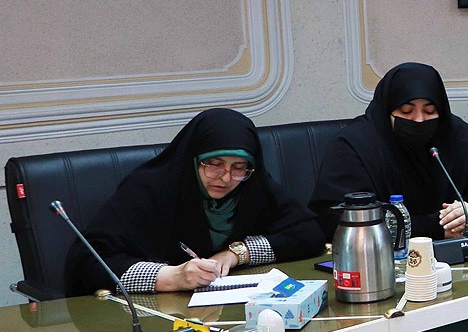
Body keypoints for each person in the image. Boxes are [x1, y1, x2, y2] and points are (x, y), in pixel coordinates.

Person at [64, 109, 324, 295]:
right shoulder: (150, 189)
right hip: (156, 320)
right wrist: (171, 277)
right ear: (193, 159)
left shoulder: (252, 186)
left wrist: (237, 253)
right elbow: (86, 263)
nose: (225, 178)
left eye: (238, 167)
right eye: (214, 164)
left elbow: (309, 232)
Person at [311, 62, 468, 240]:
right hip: (381, 264)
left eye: (430, 111)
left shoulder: (457, 136)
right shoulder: (354, 145)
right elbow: (335, 219)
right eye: (406, 111)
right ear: (386, 111)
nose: (420, 120)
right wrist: (435, 227)